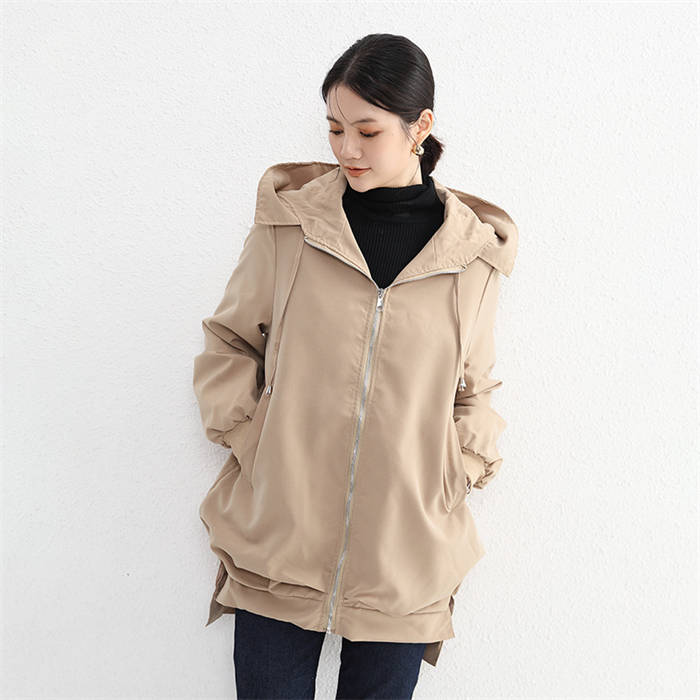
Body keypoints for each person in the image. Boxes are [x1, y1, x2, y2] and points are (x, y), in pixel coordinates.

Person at [193, 33, 518, 700]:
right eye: (335, 128)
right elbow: (229, 342)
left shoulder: (471, 257)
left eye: (368, 131)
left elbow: (474, 389)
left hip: (406, 557)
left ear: (420, 127)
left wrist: (452, 473)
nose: (347, 148)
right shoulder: (291, 228)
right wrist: (258, 444)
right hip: (279, 541)